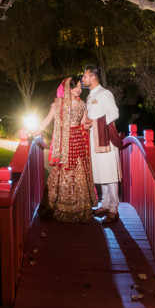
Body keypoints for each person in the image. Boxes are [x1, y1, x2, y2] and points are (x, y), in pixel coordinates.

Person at [36, 76, 98, 223]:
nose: (78, 89)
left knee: (80, 173)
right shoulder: (59, 104)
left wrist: (88, 125)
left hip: (79, 141)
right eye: (75, 87)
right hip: (64, 143)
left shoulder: (82, 104)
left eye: (79, 87)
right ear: (67, 88)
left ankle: (80, 208)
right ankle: (61, 207)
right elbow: (47, 120)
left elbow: (83, 123)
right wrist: (35, 131)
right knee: (63, 173)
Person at [82, 64, 121, 223]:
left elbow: (114, 113)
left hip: (106, 139)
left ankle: (114, 209)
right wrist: (87, 124)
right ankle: (105, 204)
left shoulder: (105, 93)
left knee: (110, 174)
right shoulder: (90, 95)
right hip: (95, 138)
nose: (83, 79)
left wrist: (95, 122)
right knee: (102, 172)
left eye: (85, 76)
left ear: (93, 77)